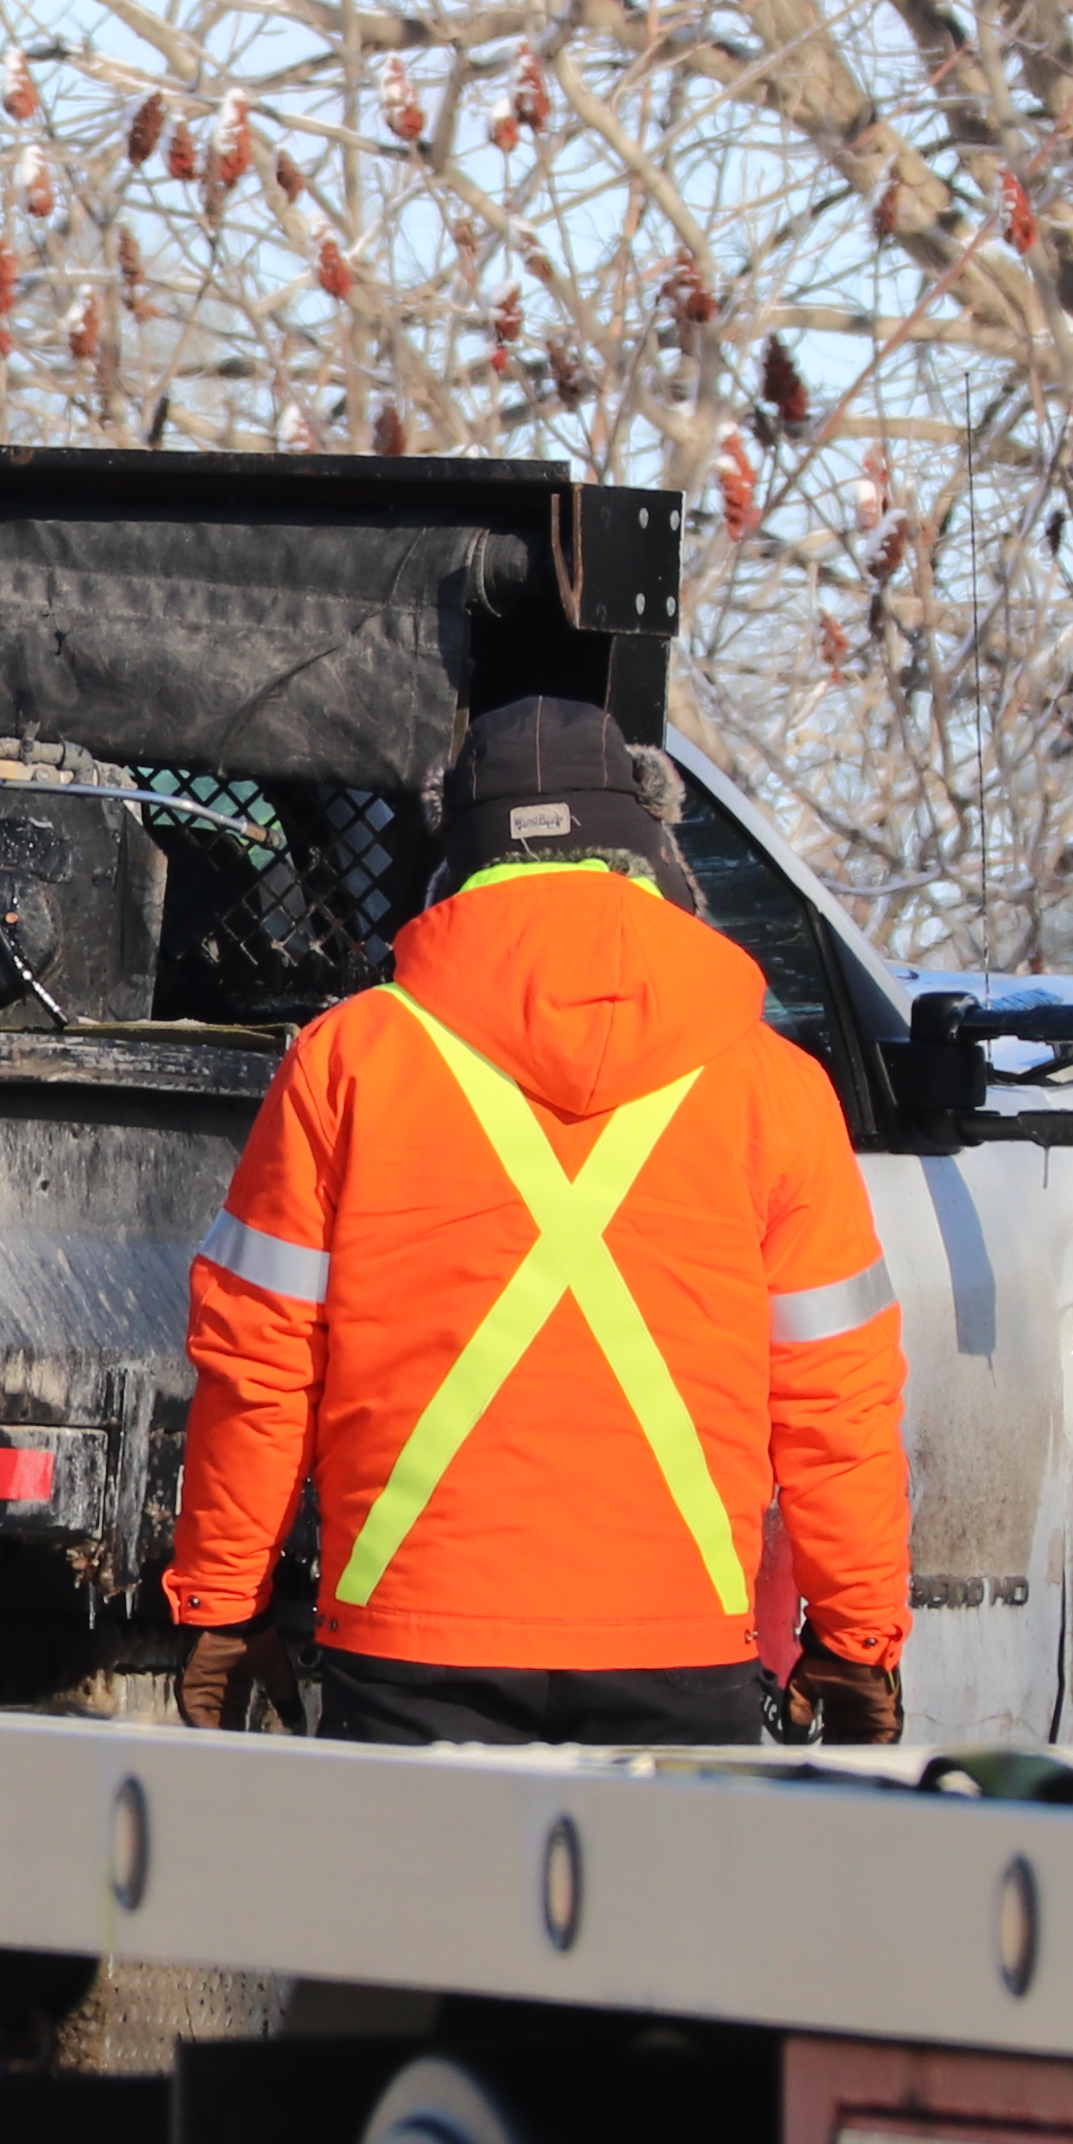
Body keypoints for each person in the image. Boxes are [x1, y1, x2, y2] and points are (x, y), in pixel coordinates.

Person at [167, 696, 913, 1747]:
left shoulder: (350, 1059)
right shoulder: (774, 1085)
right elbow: (838, 1393)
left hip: (411, 1643)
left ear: (452, 860)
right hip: (682, 1643)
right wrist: (858, 1634)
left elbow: (258, 1361)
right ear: (653, 852)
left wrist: (223, 1600)